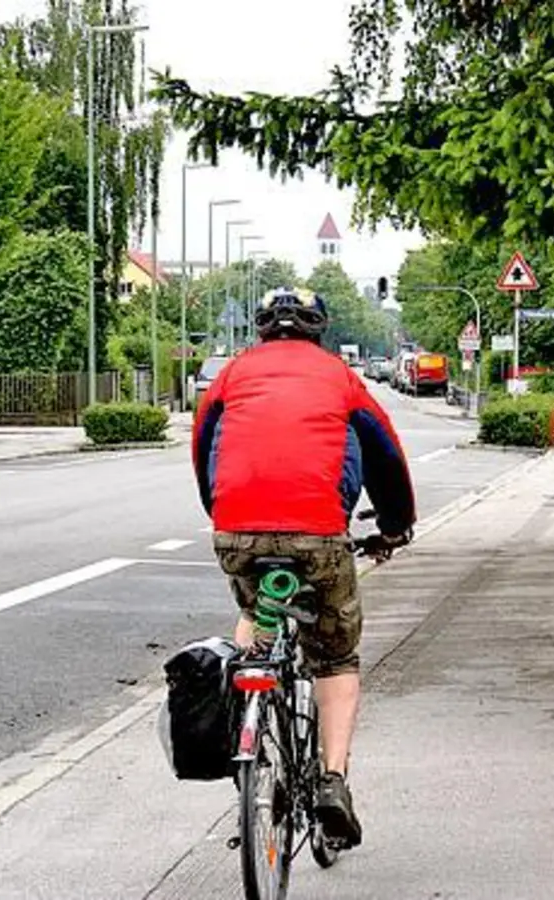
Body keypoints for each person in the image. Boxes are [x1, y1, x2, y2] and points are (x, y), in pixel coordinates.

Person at [192, 286, 416, 849]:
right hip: (318, 534)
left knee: (255, 609)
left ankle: (249, 741)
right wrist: (395, 526)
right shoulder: (340, 377)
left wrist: (224, 514)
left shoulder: (232, 374)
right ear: (318, 329)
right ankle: (333, 781)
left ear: (261, 331)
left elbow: (203, 446)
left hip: (237, 527)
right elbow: (386, 455)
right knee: (335, 656)